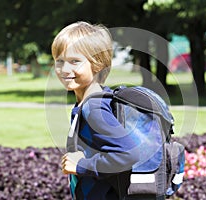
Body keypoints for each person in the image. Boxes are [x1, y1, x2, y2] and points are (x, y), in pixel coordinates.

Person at [51, 21, 140, 200]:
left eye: (74, 61)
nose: (64, 69)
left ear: (97, 64)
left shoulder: (94, 108)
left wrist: (82, 165)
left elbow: (128, 154)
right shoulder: (88, 102)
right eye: (59, 61)